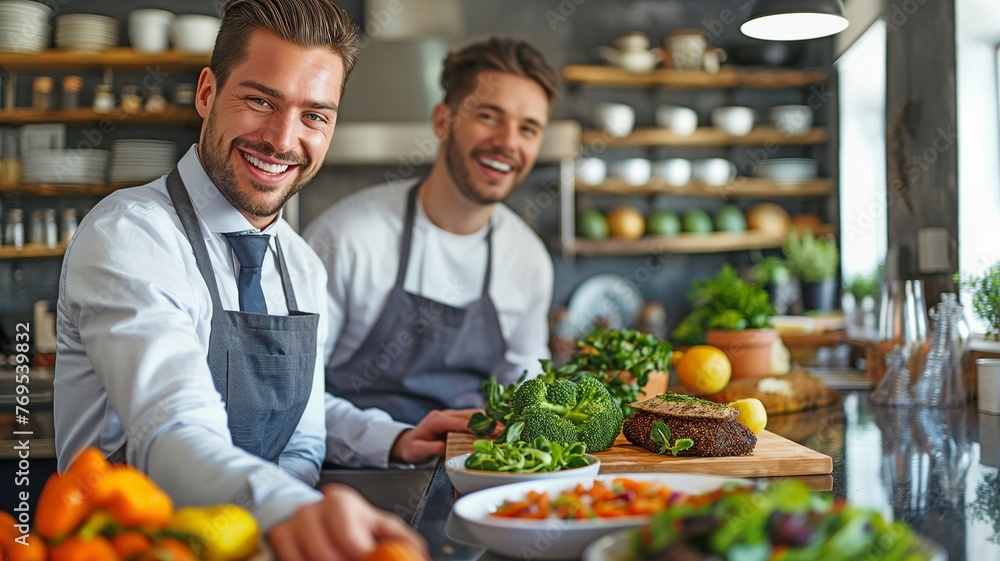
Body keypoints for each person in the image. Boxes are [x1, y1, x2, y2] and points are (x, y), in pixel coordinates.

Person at [53, 1, 467, 559]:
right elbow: (169, 432)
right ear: (206, 94)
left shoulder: (300, 265)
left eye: (314, 115)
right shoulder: (131, 236)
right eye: (260, 100)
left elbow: (301, 423)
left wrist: (393, 437)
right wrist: (294, 510)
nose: (281, 138)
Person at [304, 37, 558, 426]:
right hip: (357, 475)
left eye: (528, 129)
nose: (508, 142)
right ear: (442, 121)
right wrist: (391, 440)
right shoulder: (347, 237)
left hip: (474, 475)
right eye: (488, 116)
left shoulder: (527, 259)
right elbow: (296, 393)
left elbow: (527, 389)